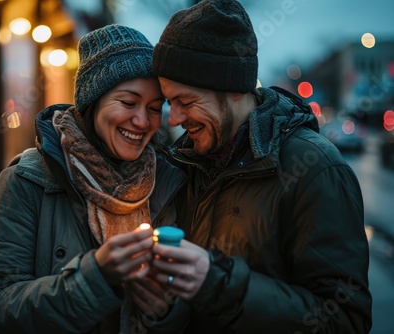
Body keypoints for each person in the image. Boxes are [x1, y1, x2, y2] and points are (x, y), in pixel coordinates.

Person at [144, 0, 373, 333]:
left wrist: (222, 285)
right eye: (169, 102)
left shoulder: (315, 170)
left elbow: (345, 320)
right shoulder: (184, 162)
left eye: (187, 102)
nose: (175, 119)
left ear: (235, 90)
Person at [0, 24, 188, 333]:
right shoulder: (28, 180)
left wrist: (166, 311)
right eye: (128, 103)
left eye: (155, 108)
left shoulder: (168, 182)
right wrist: (96, 277)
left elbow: (186, 311)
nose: (142, 121)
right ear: (93, 101)